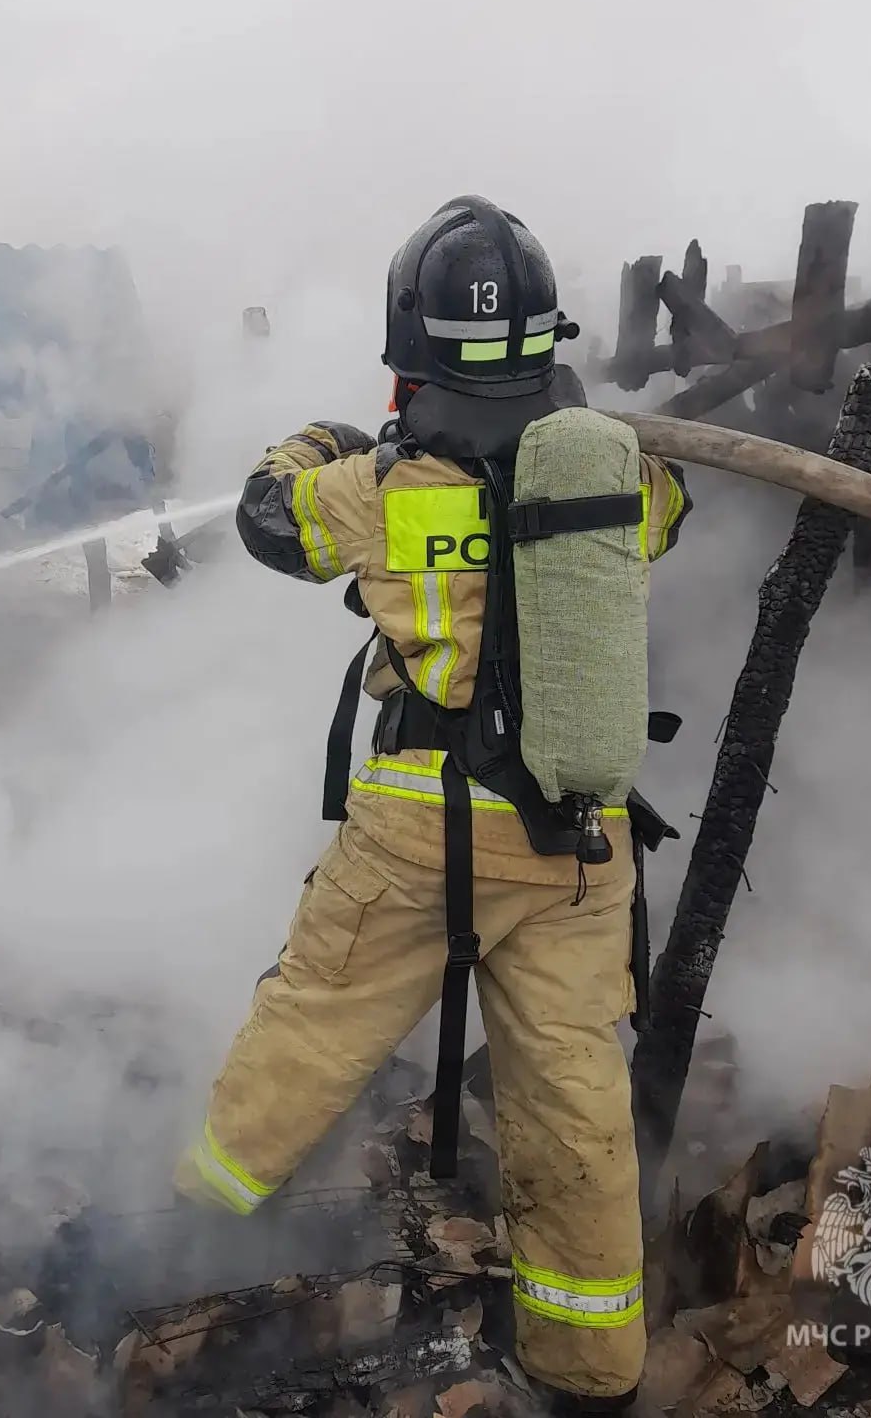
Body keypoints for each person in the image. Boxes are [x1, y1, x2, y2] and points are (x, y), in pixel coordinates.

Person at [174, 197, 692, 1411]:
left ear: (409, 340)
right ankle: (585, 1362)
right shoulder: (619, 469)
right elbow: (664, 522)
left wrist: (313, 440)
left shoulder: (377, 483)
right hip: (578, 836)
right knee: (571, 1090)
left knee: (310, 1022)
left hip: (424, 826)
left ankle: (192, 1232)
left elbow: (269, 522)